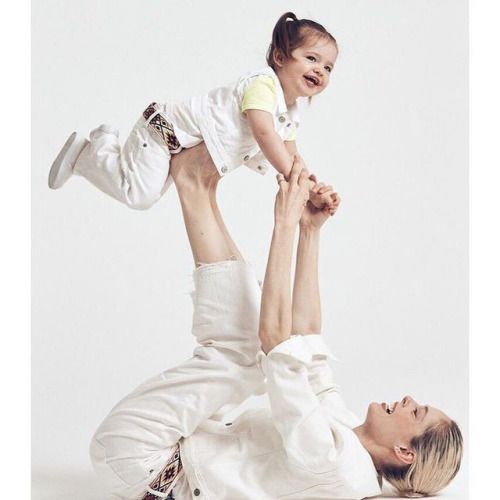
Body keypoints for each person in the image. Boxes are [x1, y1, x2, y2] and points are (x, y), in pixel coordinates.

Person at [89, 144, 463, 499]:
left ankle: (193, 183)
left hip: (143, 460)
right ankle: (196, 186)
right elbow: (307, 346)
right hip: (169, 448)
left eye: (417, 412)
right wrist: (309, 230)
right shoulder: (349, 435)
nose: (410, 399)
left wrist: (283, 223)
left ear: (404, 452)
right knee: (257, 352)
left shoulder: (338, 465)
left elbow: (276, 344)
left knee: (246, 357)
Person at [48, 12, 338, 213]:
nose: (319, 70)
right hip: (163, 131)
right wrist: (291, 173)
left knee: (145, 193)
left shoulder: (289, 112)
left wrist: (310, 187)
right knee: (139, 195)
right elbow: (264, 133)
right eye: (311, 58)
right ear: (280, 57)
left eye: (327, 67)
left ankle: (106, 143)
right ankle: (89, 153)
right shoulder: (263, 86)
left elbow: (293, 156)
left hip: (176, 146)